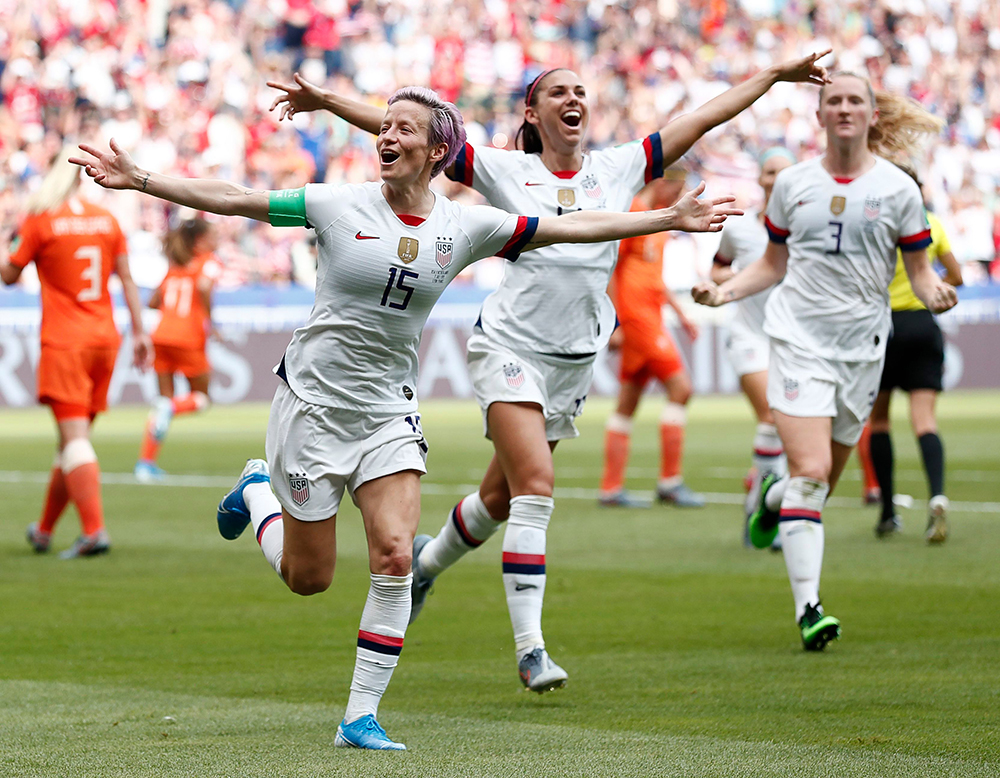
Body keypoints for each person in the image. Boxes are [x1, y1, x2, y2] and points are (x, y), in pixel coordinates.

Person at [71, 86, 738, 749]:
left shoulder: (465, 225)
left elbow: (570, 227)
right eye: (383, 127)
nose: (386, 138)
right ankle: (256, 491)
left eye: (403, 130)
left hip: (389, 409)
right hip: (312, 405)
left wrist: (663, 219)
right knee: (311, 579)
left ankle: (359, 717)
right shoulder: (336, 204)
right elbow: (237, 198)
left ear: (437, 151)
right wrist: (143, 180)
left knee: (393, 555)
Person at [269, 50, 831, 692]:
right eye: (557, 91)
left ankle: (423, 565)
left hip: (575, 357)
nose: (574, 99)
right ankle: (531, 650)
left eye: (581, 90)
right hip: (510, 347)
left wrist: (770, 77)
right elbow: (415, 131)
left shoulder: (620, 166)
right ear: (532, 113)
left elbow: (701, 118)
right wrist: (328, 103)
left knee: (500, 497)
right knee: (536, 485)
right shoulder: (505, 169)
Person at [692, 73, 958, 651]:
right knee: (811, 475)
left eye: (854, 100)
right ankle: (809, 609)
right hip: (797, 342)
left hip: (863, 349)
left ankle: (767, 499)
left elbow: (918, 275)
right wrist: (725, 292)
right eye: (833, 100)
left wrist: (936, 293)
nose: (843, 108)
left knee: (816, 483)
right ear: (818, 116)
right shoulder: (792, 184)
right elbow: (770, 265)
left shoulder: (899, 190)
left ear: (870, 116)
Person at [0, 145, 150, 558]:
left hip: (65, 341)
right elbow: (128, 279)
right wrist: (140, 332)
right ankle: (45, 530)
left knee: (75, 441)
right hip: (105, 340)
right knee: (71, 442)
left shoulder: (40, 218)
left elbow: (10, 275)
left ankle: (94, 531)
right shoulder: (107, 220)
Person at [855, 162, 963, 542]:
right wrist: (934, 289)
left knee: (880, 421)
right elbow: (957, 276)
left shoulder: (873, 223)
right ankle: (937, 495)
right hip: (922, 324)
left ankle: (887, 511)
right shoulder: (930, 222)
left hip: (882, 326)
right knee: (925, 421)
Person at [599, 169, 705, 508]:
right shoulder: (633, 213)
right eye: (680, 187)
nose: (682, 195)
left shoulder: (659, 220)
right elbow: (613, 267)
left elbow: (653, 279)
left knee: (627, 403)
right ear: (663, 182)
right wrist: (615, 322)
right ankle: (670, 483)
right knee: (681, 389)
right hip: (637, 320)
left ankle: (610, 488)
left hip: (651, 316)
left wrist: (681, 314)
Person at [711, 147, 797, 544]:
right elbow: (719, 265)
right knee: (772, 416)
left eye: (784, 172)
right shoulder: (740, 225)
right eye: (769, 172)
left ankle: (758, 502)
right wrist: (718, 288)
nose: (776, 178)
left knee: (787, 424)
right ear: (760, 179)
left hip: (792, 339)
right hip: (748, 335)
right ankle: (771, 514)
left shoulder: (809, 227)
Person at [135, 218, 221, 482]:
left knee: (164, 401)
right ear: (201, 240)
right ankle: (170, 409)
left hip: (160, 335)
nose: (217, 239)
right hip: (188, 337)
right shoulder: (207, 261)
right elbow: (205, 287)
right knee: (202, 398)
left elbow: (152, 301)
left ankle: (145, 464)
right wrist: (209, 319)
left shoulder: (174, 268)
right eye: (213, 235)